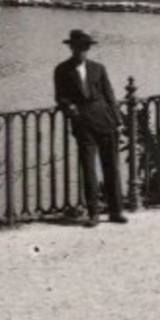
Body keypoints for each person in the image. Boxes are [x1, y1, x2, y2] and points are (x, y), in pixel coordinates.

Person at [52, 29, 127, 227]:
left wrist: (117, 120)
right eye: (77, 48)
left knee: (111, 167)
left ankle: (116, 210)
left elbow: (109, 95)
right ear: (71, 48)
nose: (81, 52)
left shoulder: (98, 68)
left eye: (85, 48)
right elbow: (60, 96)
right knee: (89, 169)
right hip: (83, 123)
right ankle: (93, 213)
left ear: (88, 49)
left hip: (105, 121)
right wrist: (70, 108)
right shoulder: (62, 70)